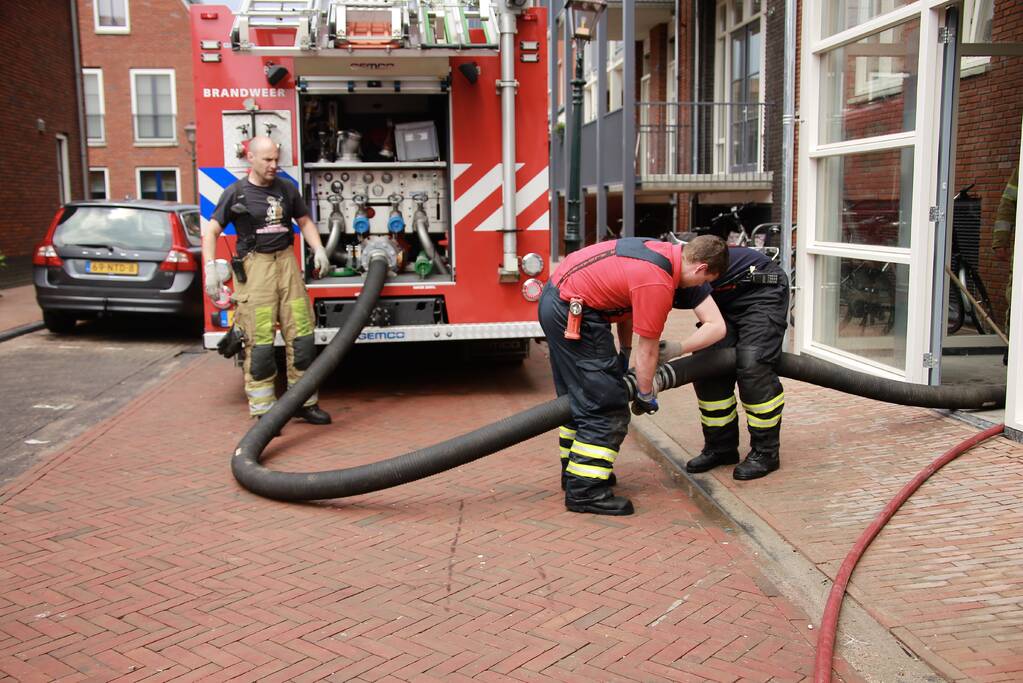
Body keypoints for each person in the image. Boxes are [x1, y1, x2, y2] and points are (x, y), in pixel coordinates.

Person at [539, 235, 729, 516]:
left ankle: (579, 472)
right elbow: (649, 350)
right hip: (575, 312)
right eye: (704, 280)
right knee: (606, 406)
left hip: (560, 302)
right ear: (700, 268)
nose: (700, 287)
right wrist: (645, 395)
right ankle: (585, 492)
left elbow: (624, 309)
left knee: (577, 398)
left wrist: (623, 352)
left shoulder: (658, 250)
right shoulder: (658, 281)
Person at [202, 135, 333, 425]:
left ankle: (304, 403)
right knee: (260, 342)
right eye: (268, 160)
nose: (274, 165)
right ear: (251, 158)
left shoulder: (287, 189)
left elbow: (305, 222)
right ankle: (264, 412)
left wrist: (319, 249)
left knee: (302, 337)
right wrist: (211, 268)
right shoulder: (234, 193)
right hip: (255, 269)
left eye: (276, 159)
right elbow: (211, 231)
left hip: (287, 264)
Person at [663, 245, 789, 480]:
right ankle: (721, 448)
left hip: (761, 292)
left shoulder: (685, 271)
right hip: (721, 301)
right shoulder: (656, 276)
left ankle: (766, 453)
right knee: (707, 366)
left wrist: (676, 348)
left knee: (753, 365)